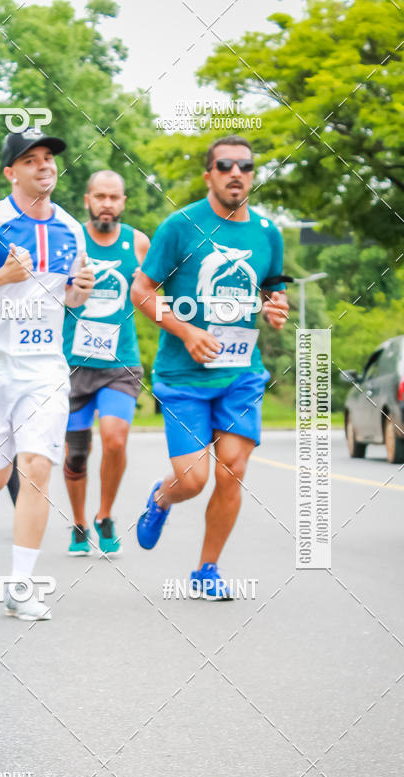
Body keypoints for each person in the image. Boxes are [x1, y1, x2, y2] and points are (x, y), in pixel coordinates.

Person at [0, 128, 95, 621]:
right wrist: (2, 277)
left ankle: (21, 585)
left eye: (48, 157)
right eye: (31, 159)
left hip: (44, 367)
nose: (44, 165)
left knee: (38, 467)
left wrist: (80, 292)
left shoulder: (72, 228)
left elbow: (70, 294)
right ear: (11, 172)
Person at [130, 136, 289, 598]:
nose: (236, 172)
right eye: (225, 165)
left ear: (253, 175)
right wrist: (186, 331)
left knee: (232, 469)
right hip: (183, 376)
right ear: (209, 175)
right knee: (194, 480)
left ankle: (206, 570)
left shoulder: (266, 231)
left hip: (241, 373)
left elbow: (270, 291)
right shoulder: (179, 227)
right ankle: (161, 498)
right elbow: (141, 291)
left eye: (245, 166)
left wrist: (275, 308)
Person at [62, 170, 149, 556]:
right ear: (87, 200)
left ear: (123, 202)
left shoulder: (138, 242)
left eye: (115, 198)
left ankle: (105, 514)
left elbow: (152, 292)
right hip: (74, 364)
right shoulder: (70, 239)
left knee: (115, 438)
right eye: (100, 197)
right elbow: (52, 293)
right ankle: (79, 521)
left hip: (120, 363)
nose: (107, 205)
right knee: (76, 453)